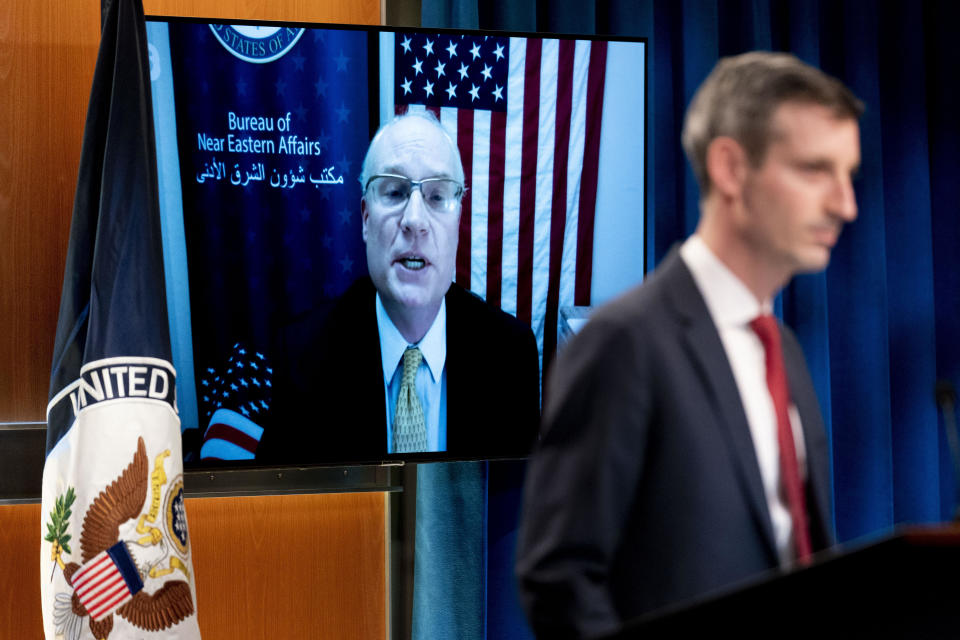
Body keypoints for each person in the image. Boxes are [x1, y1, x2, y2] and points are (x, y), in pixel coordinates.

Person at [515, 51, 863, 638]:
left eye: (848, 174)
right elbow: (559, 579)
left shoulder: (785, 348)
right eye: (814, 170)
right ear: (730, 168)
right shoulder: (623, 343)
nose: (844, 204)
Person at [261, 112, 540, 462]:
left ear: (457, 223)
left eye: (437, 197)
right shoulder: (303, 356)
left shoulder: (511, 356)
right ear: (365, 218)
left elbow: (515, 508)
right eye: (394, 192)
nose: (415, 221)